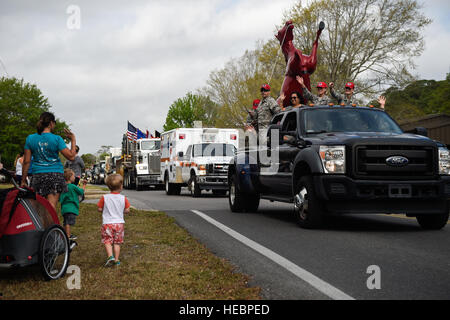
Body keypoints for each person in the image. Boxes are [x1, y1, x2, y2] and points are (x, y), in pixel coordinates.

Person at [21, 112, 77, 210]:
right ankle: (51, 225)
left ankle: (39, 225)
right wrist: (73, 139)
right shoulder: (57, 139)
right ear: (51, 123)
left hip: (38, 175)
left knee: (38, 207)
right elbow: (71, 157)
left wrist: (23, 180)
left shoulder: (30, 139)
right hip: (55, 175)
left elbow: (26, 161)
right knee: (51, 207)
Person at [97, 174, 130, 267]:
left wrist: (105, 210)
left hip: (107, 223)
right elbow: (127, 210)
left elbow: (99, 208)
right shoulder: (123, 198)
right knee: (117, 242)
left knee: (107, 241)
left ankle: (110, 256)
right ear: (121, 186)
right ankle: (116, 259)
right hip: (119, 223)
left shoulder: (104, 197)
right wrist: (121, 210)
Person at [60, 168, 86, 241]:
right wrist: (84, 185)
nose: (74, 178)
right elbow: (81, 192)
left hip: (64, 208)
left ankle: (65, 234)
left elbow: (60, 198)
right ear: (70, 177)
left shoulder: (63, 187)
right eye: (74, 176)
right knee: (68, 222)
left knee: (65, 221)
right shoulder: (72, 186)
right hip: (71, 208)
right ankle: (67, 236)